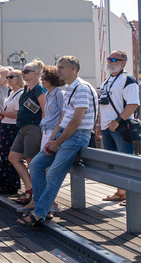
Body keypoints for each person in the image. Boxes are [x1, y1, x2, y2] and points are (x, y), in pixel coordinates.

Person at [19, 55, 96, 228]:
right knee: (36, 164)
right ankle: (41, 208)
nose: (58, 70)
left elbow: (76, 121)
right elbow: (63, 117)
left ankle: (39, 213)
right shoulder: (71, 88)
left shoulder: (82, 88)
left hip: (76, 135)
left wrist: (57, 142)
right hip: (65, 134)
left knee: (54, 173)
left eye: (61, 67)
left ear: (73, 69)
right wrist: (52, 139)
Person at [98, 50, 140, 203]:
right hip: (107, 127)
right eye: (109, 58)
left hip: (120, 126)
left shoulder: (127, 79)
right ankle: (121, 192)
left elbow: (133, 104)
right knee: (114, 162)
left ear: (123, 63)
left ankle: (131, 194)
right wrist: (98, 124)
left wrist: (117, 121)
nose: (110, 61)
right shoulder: (107, 80)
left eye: (114, 59)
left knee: (126, 161)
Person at [8, 60, 47, 206]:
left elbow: (44, 109)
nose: (23, 74)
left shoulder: (39, 89)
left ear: (36, 73)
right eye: (22, 71)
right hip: (23, 127)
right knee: (13, 156)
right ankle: (30, 188)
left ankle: (37, 195)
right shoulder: (26, 89)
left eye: (26, 71)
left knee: (32, 161)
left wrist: (43, 129)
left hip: (33, 127)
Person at [0, 69, 24, 195]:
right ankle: (2, 183)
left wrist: (2, 113)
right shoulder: (12, 92)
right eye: (7, 77)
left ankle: (8, 185)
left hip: (12, 128)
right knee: (3, 156)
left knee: (7, 157)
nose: (8, 79)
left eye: (11, 77)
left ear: (19, 78)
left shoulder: (20, 93)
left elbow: (17, 114)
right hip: (6, 126)